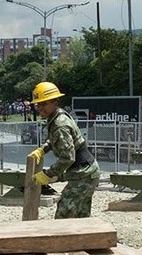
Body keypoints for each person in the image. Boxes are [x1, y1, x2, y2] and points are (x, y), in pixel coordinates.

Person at [27, 82, 100, 218]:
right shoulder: (56, 118)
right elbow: (55, 139)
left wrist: (48, 174)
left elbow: (68, 157)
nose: (40, 108)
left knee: (64, 214)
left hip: (84, 173)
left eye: (44, 104)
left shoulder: (60, 125)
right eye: (38, 104)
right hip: (85, 172)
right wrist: (43, 149)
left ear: (55, 103)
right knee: (80, 216)